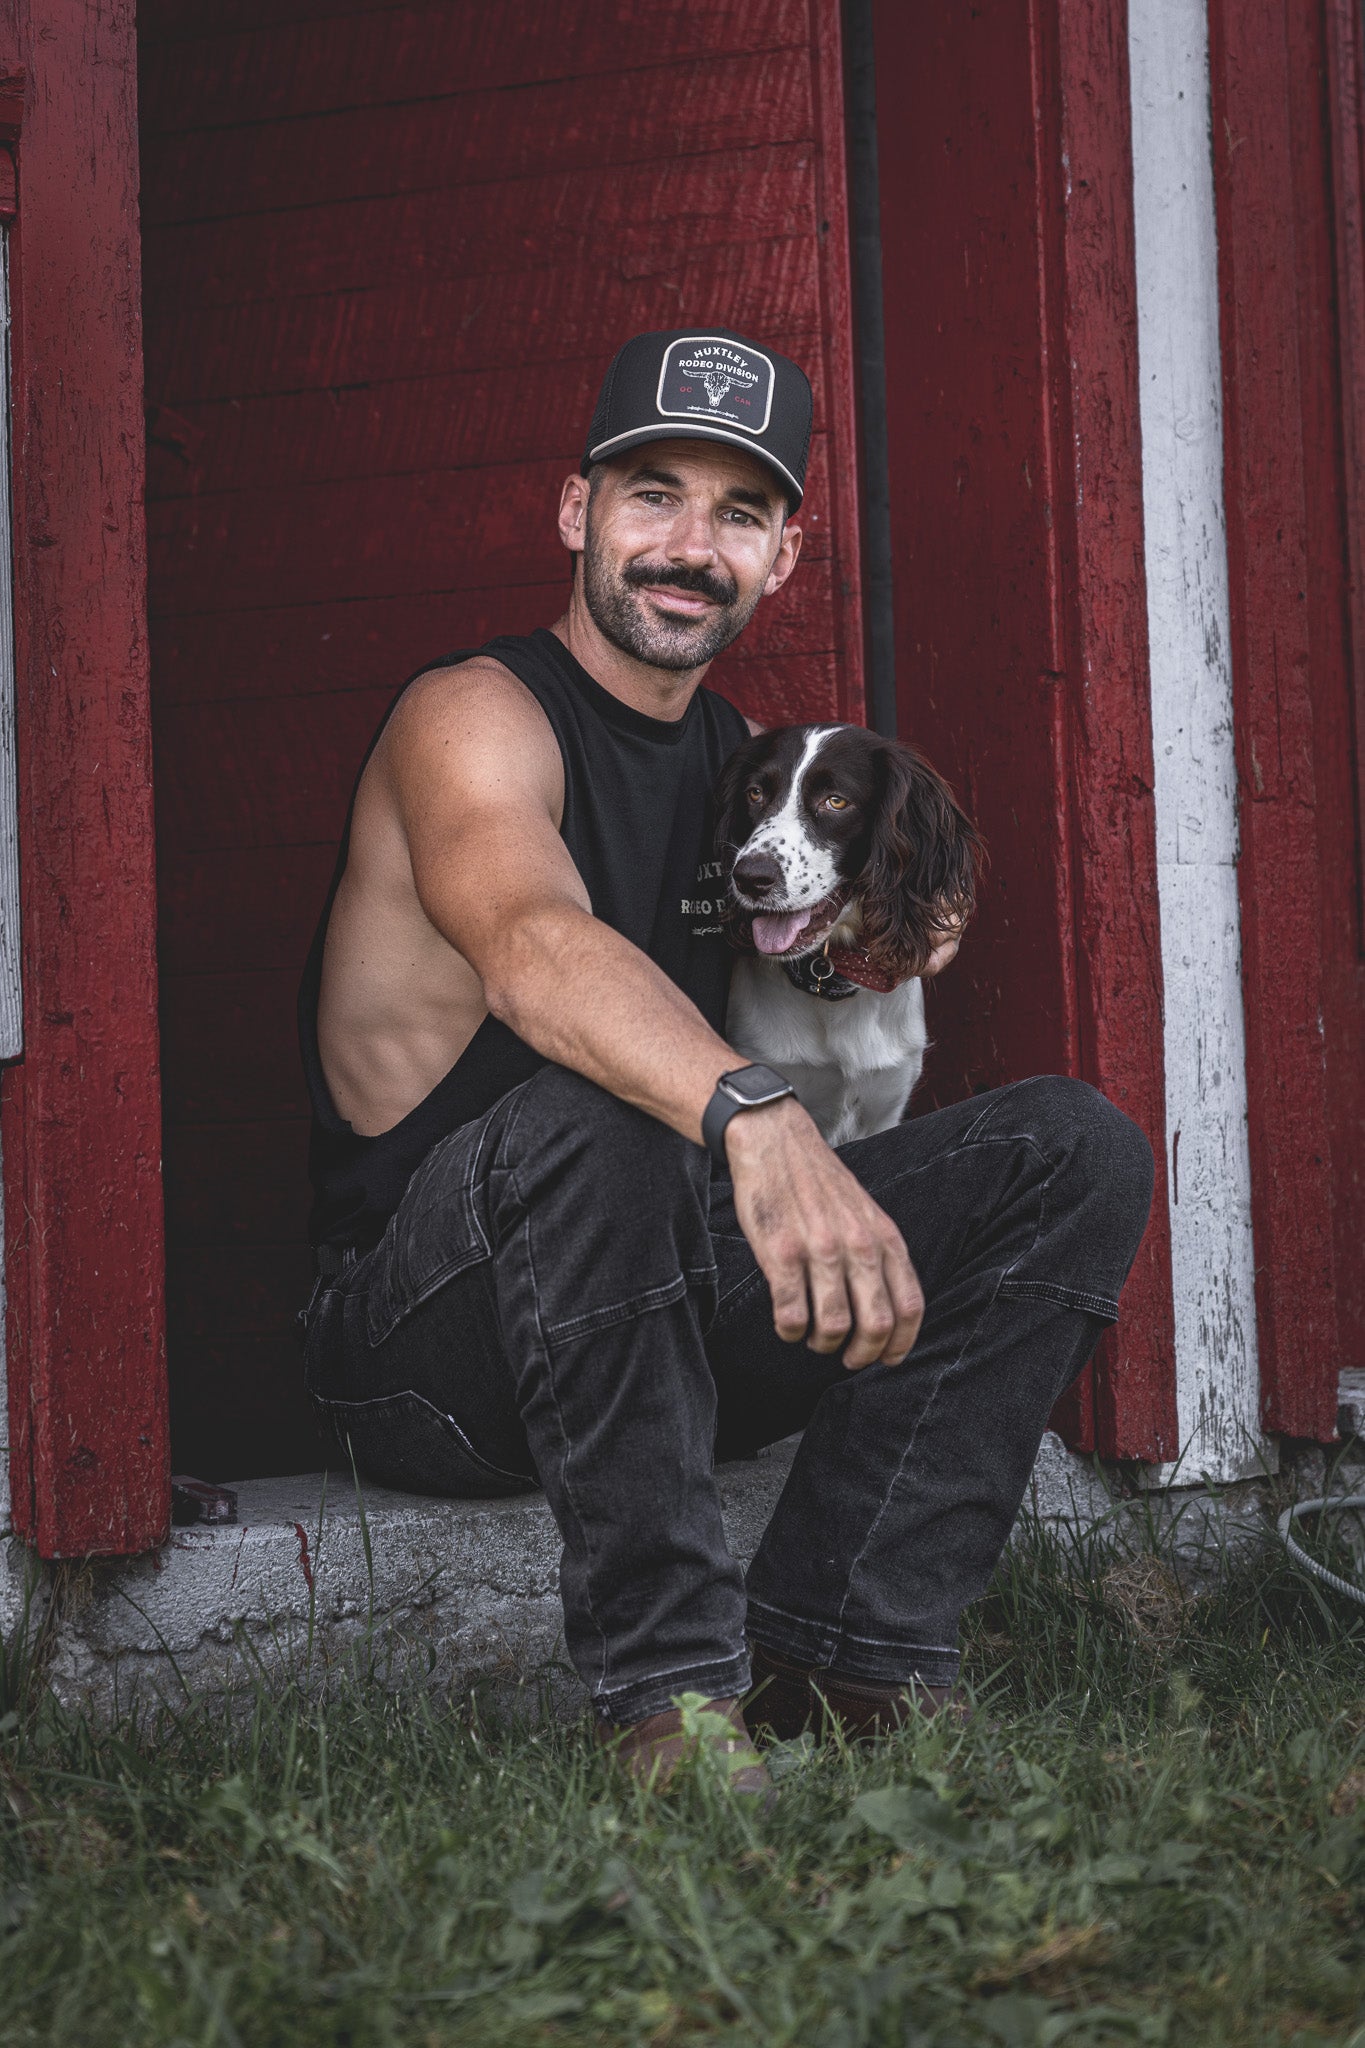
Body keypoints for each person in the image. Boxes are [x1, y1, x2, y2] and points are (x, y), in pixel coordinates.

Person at [297, 327, 1153, 1795]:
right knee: (606, 1107)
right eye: (650, 495)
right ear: (576, 514)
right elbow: (530, 944)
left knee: (1070, 1148)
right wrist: (756, 1116)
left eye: (737, 513)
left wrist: (884, 938)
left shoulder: (744, 765)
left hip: (663, 1314)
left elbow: (822, 964)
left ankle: (850, 1653)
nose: (689, 546)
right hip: (431, 1349)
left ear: (783, 556)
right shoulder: (478, 717)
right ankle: (673, 1708)